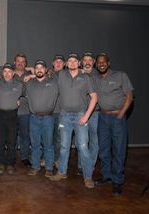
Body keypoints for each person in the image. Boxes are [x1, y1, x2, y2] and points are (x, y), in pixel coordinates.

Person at [50, 53, 97, 189]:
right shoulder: (61, 75)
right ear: (66, 64)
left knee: (82, 146)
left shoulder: (85, 77)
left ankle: (88, 177)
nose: (72, 63)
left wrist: (86, 116)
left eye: (74, 61)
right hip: (64, 116)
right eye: (69, 61)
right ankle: (61, 172)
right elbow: (44, 73)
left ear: (79, 63)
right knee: (64, 146)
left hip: (80, 116)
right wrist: (30, 75)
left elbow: (94, 97)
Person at [93, 53, 133, 195]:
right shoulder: (95, 78)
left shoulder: (120, 75)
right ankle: (106, 175)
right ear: (96, 65)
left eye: (104, 62)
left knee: (119, 149)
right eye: (99, 62)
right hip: (102, 117)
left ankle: (117, 180)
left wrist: (121, 113)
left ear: (108, 63)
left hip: (117, 117)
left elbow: (130, 95)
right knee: (103, 149)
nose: (101, 64)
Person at [26, 60, 58, 177]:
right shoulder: (29, 83)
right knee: (35, 144)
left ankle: (49, 168)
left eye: (42, 68)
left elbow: (62, 73)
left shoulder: (54, 82)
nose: (39, 69)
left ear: (46, 69)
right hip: (33, 118)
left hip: (48, 118)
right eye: (37, 68)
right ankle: (35, 166)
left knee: (48, 144)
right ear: (34, 70)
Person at [0, 63, 23, 175]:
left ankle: (10, 164)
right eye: (5, 71)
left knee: (12, 141)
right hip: (0, 115)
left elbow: (25, 95)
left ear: (14, 73)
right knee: (0, 141)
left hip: (12, 115)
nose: (7, 74)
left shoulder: (20, 84)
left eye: (9, 71)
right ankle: (1, 163)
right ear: (2, 73)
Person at [13, 53, 32, 167]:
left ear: (26, 63)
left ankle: (25, 157)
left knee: (25, 136)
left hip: (26, 111)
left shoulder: (30, 75)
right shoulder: (9, 74)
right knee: (12, 136)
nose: (20, 63)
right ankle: (12, 157)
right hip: (12, 111)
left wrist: (31, 74)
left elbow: (46, 73)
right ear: (14, 62)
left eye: (22, 61)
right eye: (18, 61)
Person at [49, 55, 66, 168]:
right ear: (53, 63)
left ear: (64, 64)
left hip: (62, 113)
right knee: (47, 138)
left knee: (59, 138)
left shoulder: (68, 75)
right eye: (56, 61)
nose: (58, 63)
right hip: (49, 112)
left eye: (61, 61)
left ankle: (57, 159)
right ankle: (48, 158)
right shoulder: (47, 75)